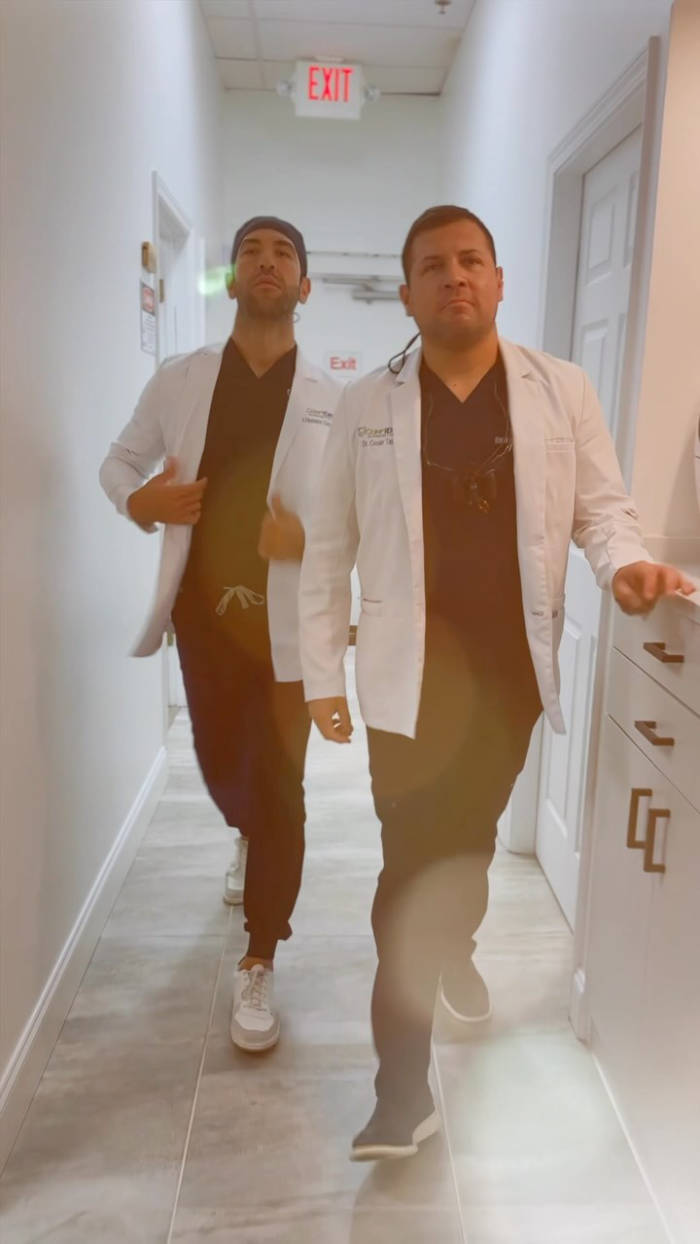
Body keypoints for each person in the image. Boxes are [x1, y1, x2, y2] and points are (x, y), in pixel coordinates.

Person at [298, 204, 696, 1161]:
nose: (454, 277)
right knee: (405, 871)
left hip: (511, 676)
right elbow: (327, 550)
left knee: (466, 848)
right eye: (431, 266)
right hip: (407, 679)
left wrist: (628, 566)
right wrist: (320, 674)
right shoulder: (367, 406)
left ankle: (458, 946)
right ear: (408, 293)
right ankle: (403, 1093)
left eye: (470, 260)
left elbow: (605, 512)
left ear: (501, 280)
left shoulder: (560, 390)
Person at [100, 216, 340, 1052]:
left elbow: (359, 514)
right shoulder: (182, 381)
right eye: (250, 254)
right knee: (219, 765)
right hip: (206, 620)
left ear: (304, 286)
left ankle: (261, 954)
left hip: (287, 629)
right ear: (230, 282)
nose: (266, 263)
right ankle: (245, 828)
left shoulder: (330, 399)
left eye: (284, 255)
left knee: (282, 787)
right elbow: (117, 462)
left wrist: (308, 539)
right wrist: (141, 503)